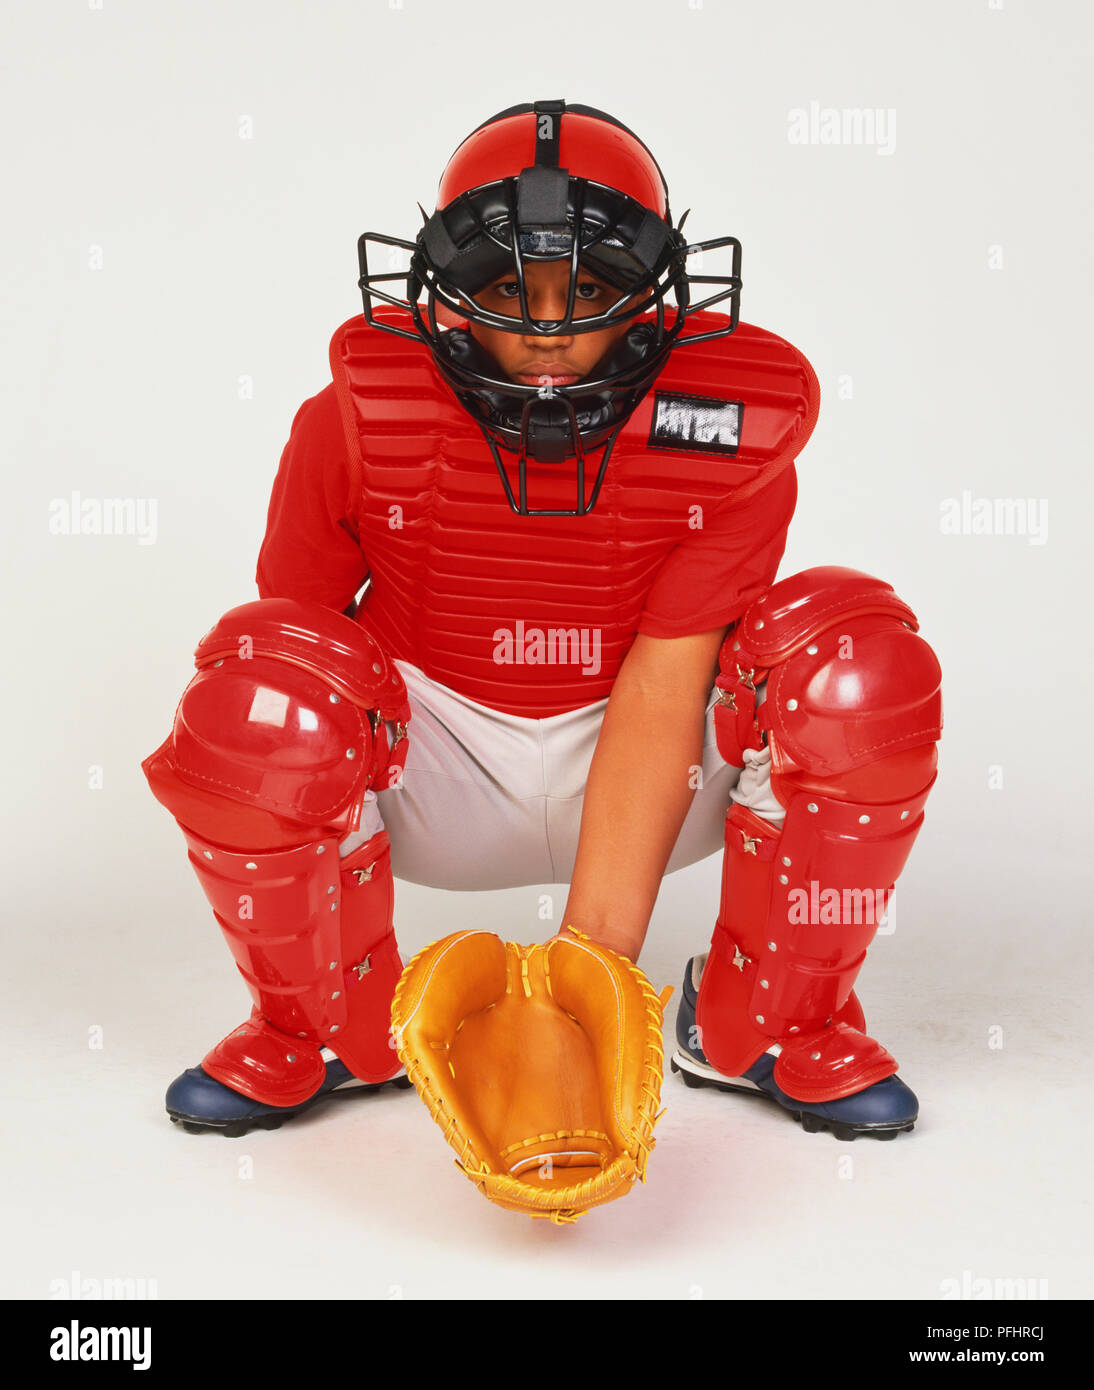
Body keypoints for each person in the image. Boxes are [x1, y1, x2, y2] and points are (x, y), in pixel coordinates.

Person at [142, 100, 942, 1143]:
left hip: (643, 754)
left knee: (852, 666)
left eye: (592, 288)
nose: (547, 330)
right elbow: (294, 637)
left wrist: (586, 976)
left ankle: (767, 1023)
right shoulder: (346, 416)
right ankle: (328, 1025)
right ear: (447, 293)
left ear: (652, 295)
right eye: (509, 290)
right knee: (260, 692)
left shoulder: (727, 431)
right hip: (429, 761)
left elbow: (664, 685)